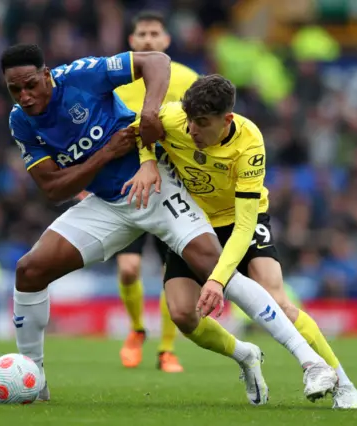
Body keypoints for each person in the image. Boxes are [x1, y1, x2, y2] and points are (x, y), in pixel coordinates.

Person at [0, 43, 333, 405]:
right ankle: (34, 381)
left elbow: (156, 61)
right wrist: (106, 154)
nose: (24, 96)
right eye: (14, 89)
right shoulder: (20, 121)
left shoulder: (82, 76)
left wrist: (148, 118)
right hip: (110, 204)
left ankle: (311, 363)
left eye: (30, 85)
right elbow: (53, 189)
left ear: (46, 75)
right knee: (30, 271)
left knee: (218, 273)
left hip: (158, 187)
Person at [125, 74, 357, 409]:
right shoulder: (173, 117)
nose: (192, 131)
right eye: (190, 121)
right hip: (191, 224)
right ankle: (245, 354)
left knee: (278, 298)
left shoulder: (250, 144)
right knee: (181, 314)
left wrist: (218, 280)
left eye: (202, 123)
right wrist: (148, 162)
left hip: (240, 221)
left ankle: (343, 383)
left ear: (227, 120)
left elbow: (245, 224)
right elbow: (139, 127)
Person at [112, 10, 199, 374]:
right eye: (141, 34)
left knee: (172, 274)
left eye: (154, 34)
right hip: (126, 183)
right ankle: (136, 330)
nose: (148, 40)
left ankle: (166, 350)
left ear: (166, 41)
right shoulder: (117, 80)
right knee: (129, 268)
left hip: (173, 186)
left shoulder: (187, 79)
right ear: (132, 42)